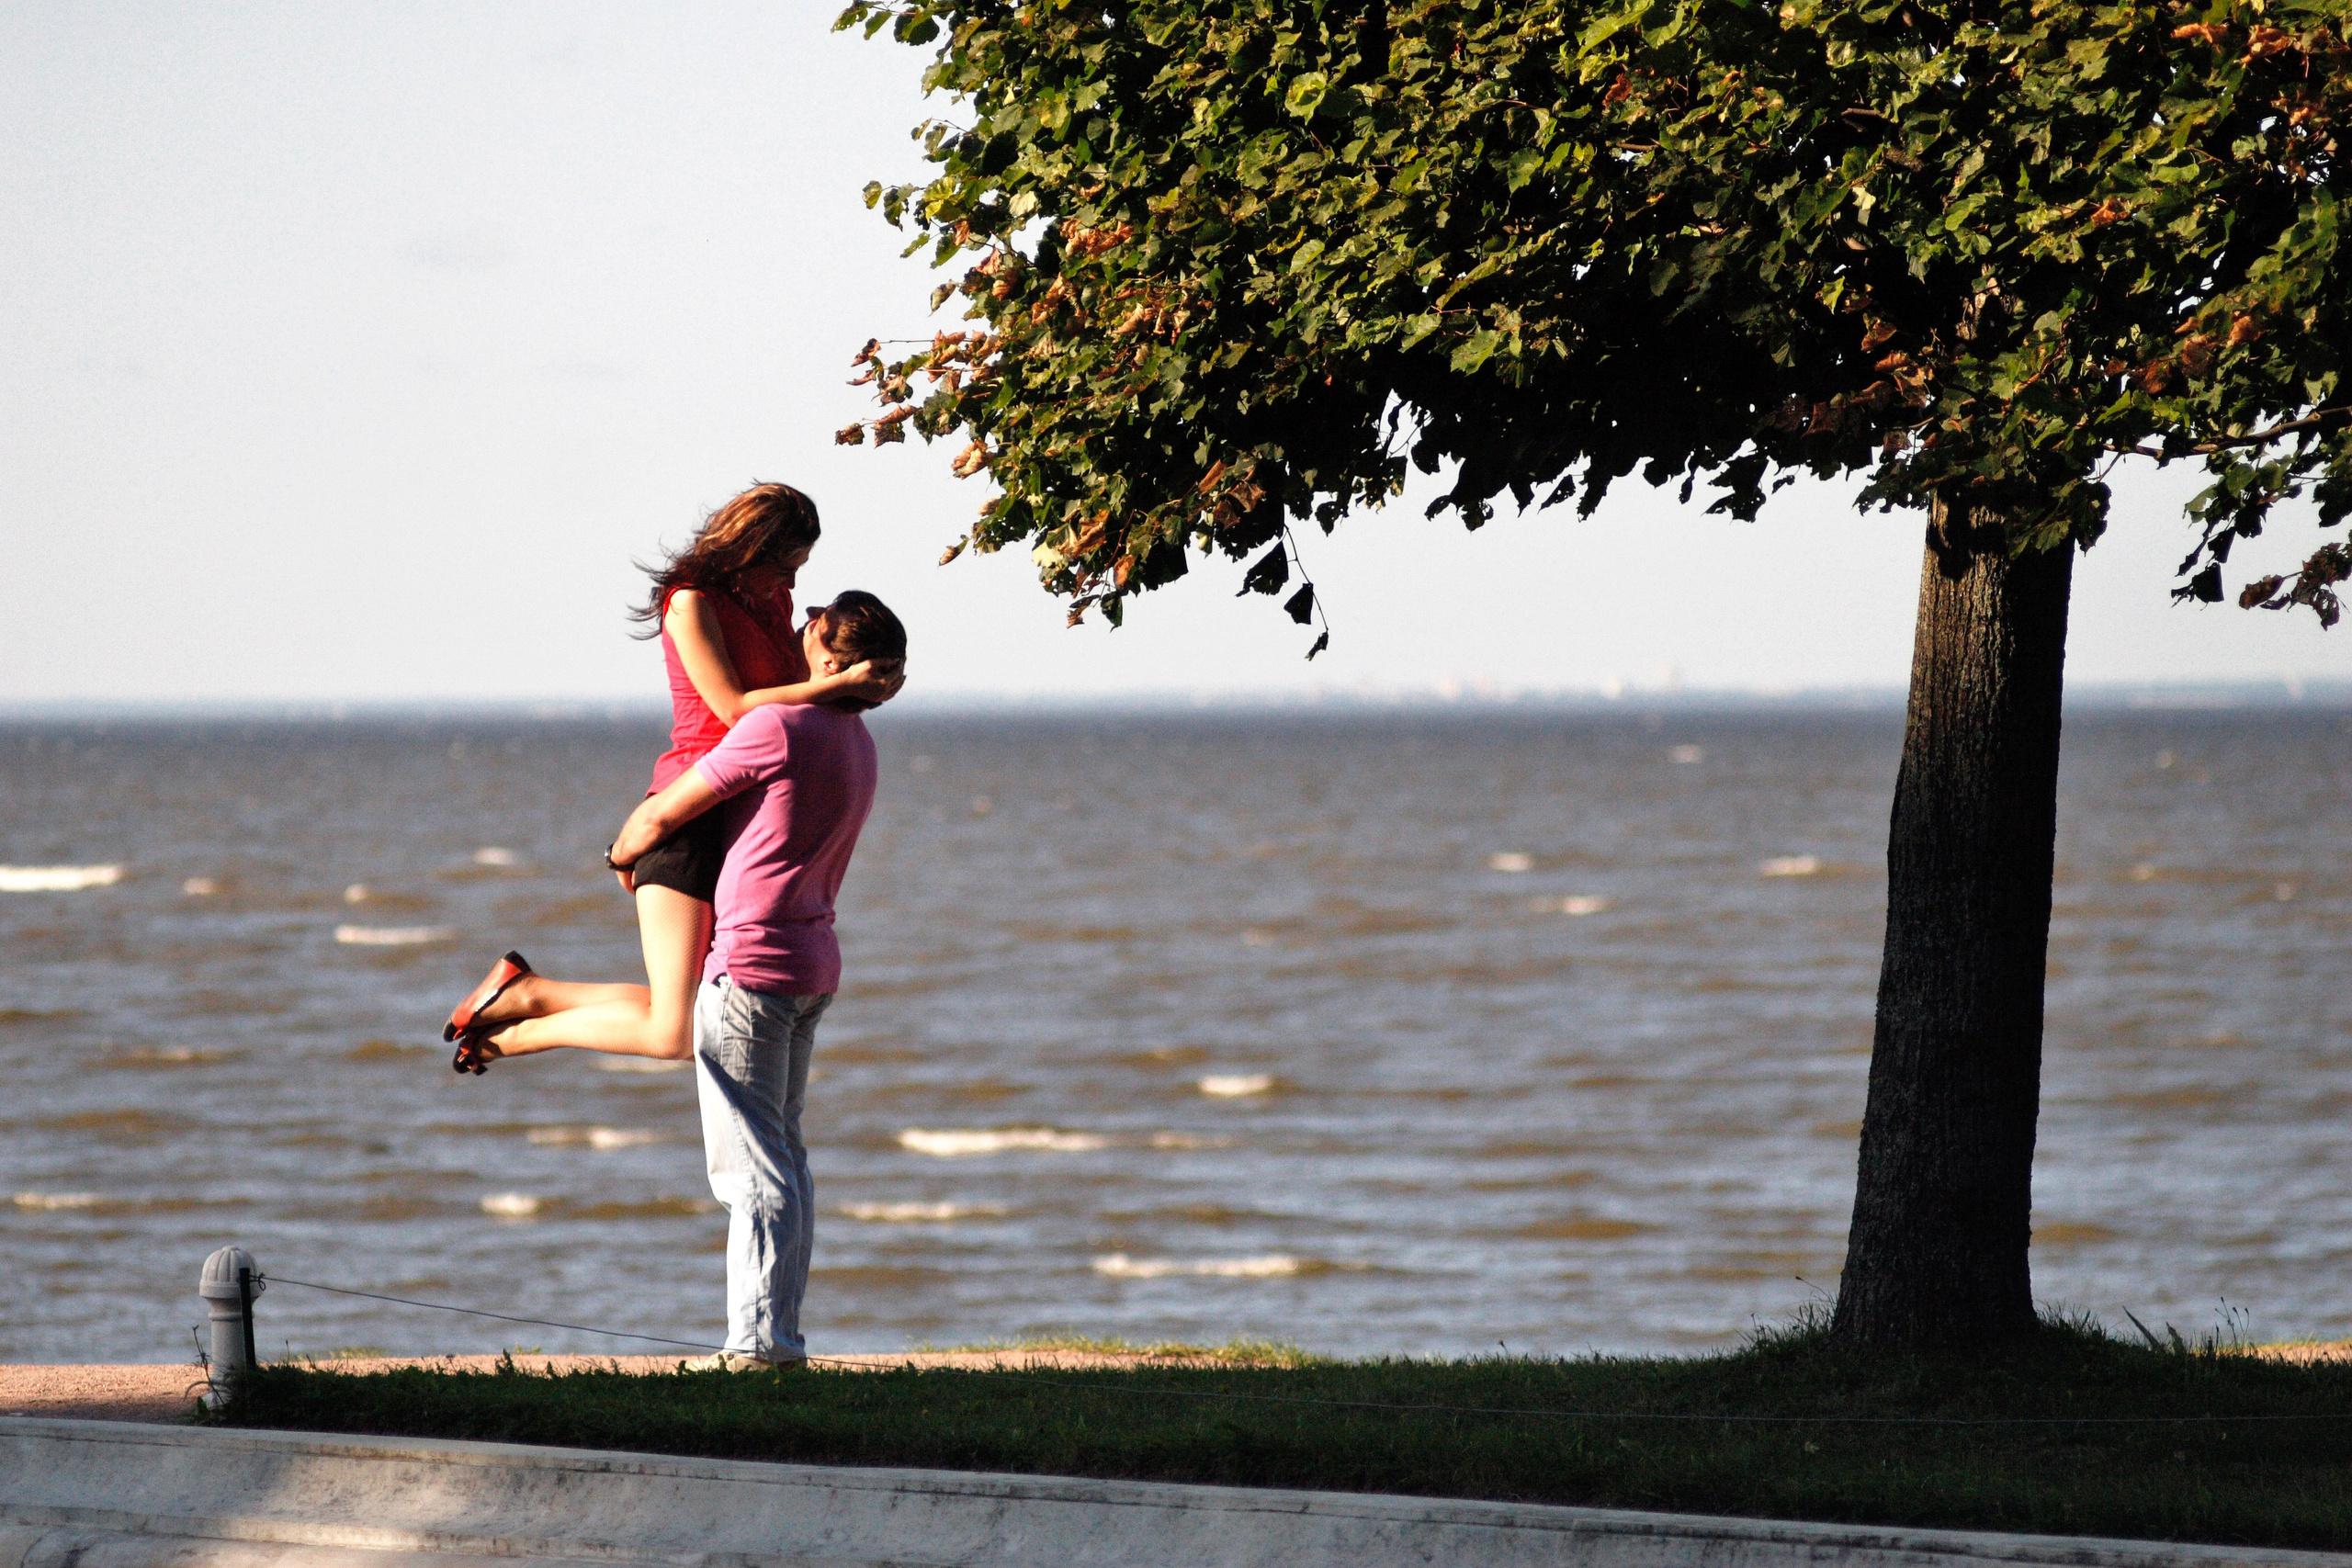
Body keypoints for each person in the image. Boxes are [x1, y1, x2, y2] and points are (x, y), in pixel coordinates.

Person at [454, 591, 906, 1371]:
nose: (804, 619)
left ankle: (756, 1347)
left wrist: (620, 856)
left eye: (818, 618)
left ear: (833, 657)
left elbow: (666, 812)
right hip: (810, 968)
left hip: (753, 968)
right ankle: (781, 1339)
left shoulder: (777, 726)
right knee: (786, 1159)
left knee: (750, 1168)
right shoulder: (859, 743)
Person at [440, 483, 898, 1063]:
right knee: (676, 1034)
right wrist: (838, 685)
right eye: (785, 566)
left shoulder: (772, 599)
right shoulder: (690, 603)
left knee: (690, 1012)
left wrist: (847, 676)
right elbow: (734, 708)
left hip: (739, 816)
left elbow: (788, 692)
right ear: (750, 548)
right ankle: (518, 1028)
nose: (791, 583)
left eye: (798, 569)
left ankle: (528, 993)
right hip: (689, 810)